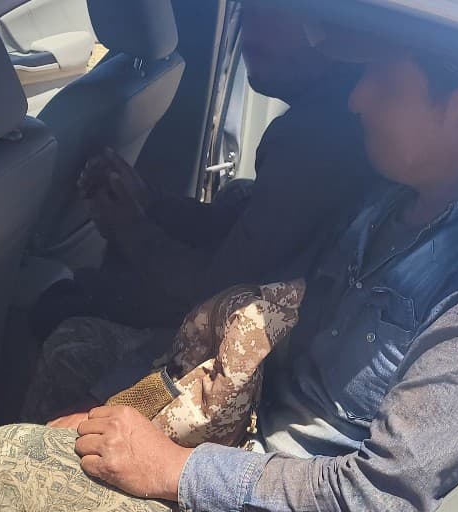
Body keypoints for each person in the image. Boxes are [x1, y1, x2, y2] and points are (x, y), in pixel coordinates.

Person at [0, 30, 458, 512]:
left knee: (0, 463)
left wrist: (174, 469)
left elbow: (375, 495)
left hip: (297, 484)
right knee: (77, 349)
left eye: (386, 85)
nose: (356, 98)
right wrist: (138, 404)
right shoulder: (405, 187)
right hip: (259, 426)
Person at [19, 5, 379, 423]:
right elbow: (243, 227)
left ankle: (32, 449)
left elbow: (217, 288)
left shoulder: (317, 140)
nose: (247, 21)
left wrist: (130, 228)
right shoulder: (320, 119)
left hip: (252, 360)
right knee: (80, 296)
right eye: (245, 7)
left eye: (272, 9)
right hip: (263, 315)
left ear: (331, 28)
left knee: (67, 331)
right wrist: (150, 202)